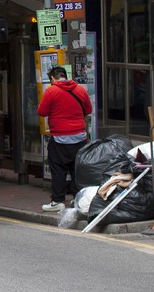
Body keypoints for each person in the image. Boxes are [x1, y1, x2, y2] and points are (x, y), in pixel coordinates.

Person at [37, 65, 92, 212]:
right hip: (80, 137)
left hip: (60, 137)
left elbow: (41, 111)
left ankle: (58, 200)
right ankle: (78, 199)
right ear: (65, 76)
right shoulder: (80, 89)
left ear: (52, 78)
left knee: (58, 170)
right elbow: (88, 110)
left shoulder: (51, 91)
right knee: (76, 170)